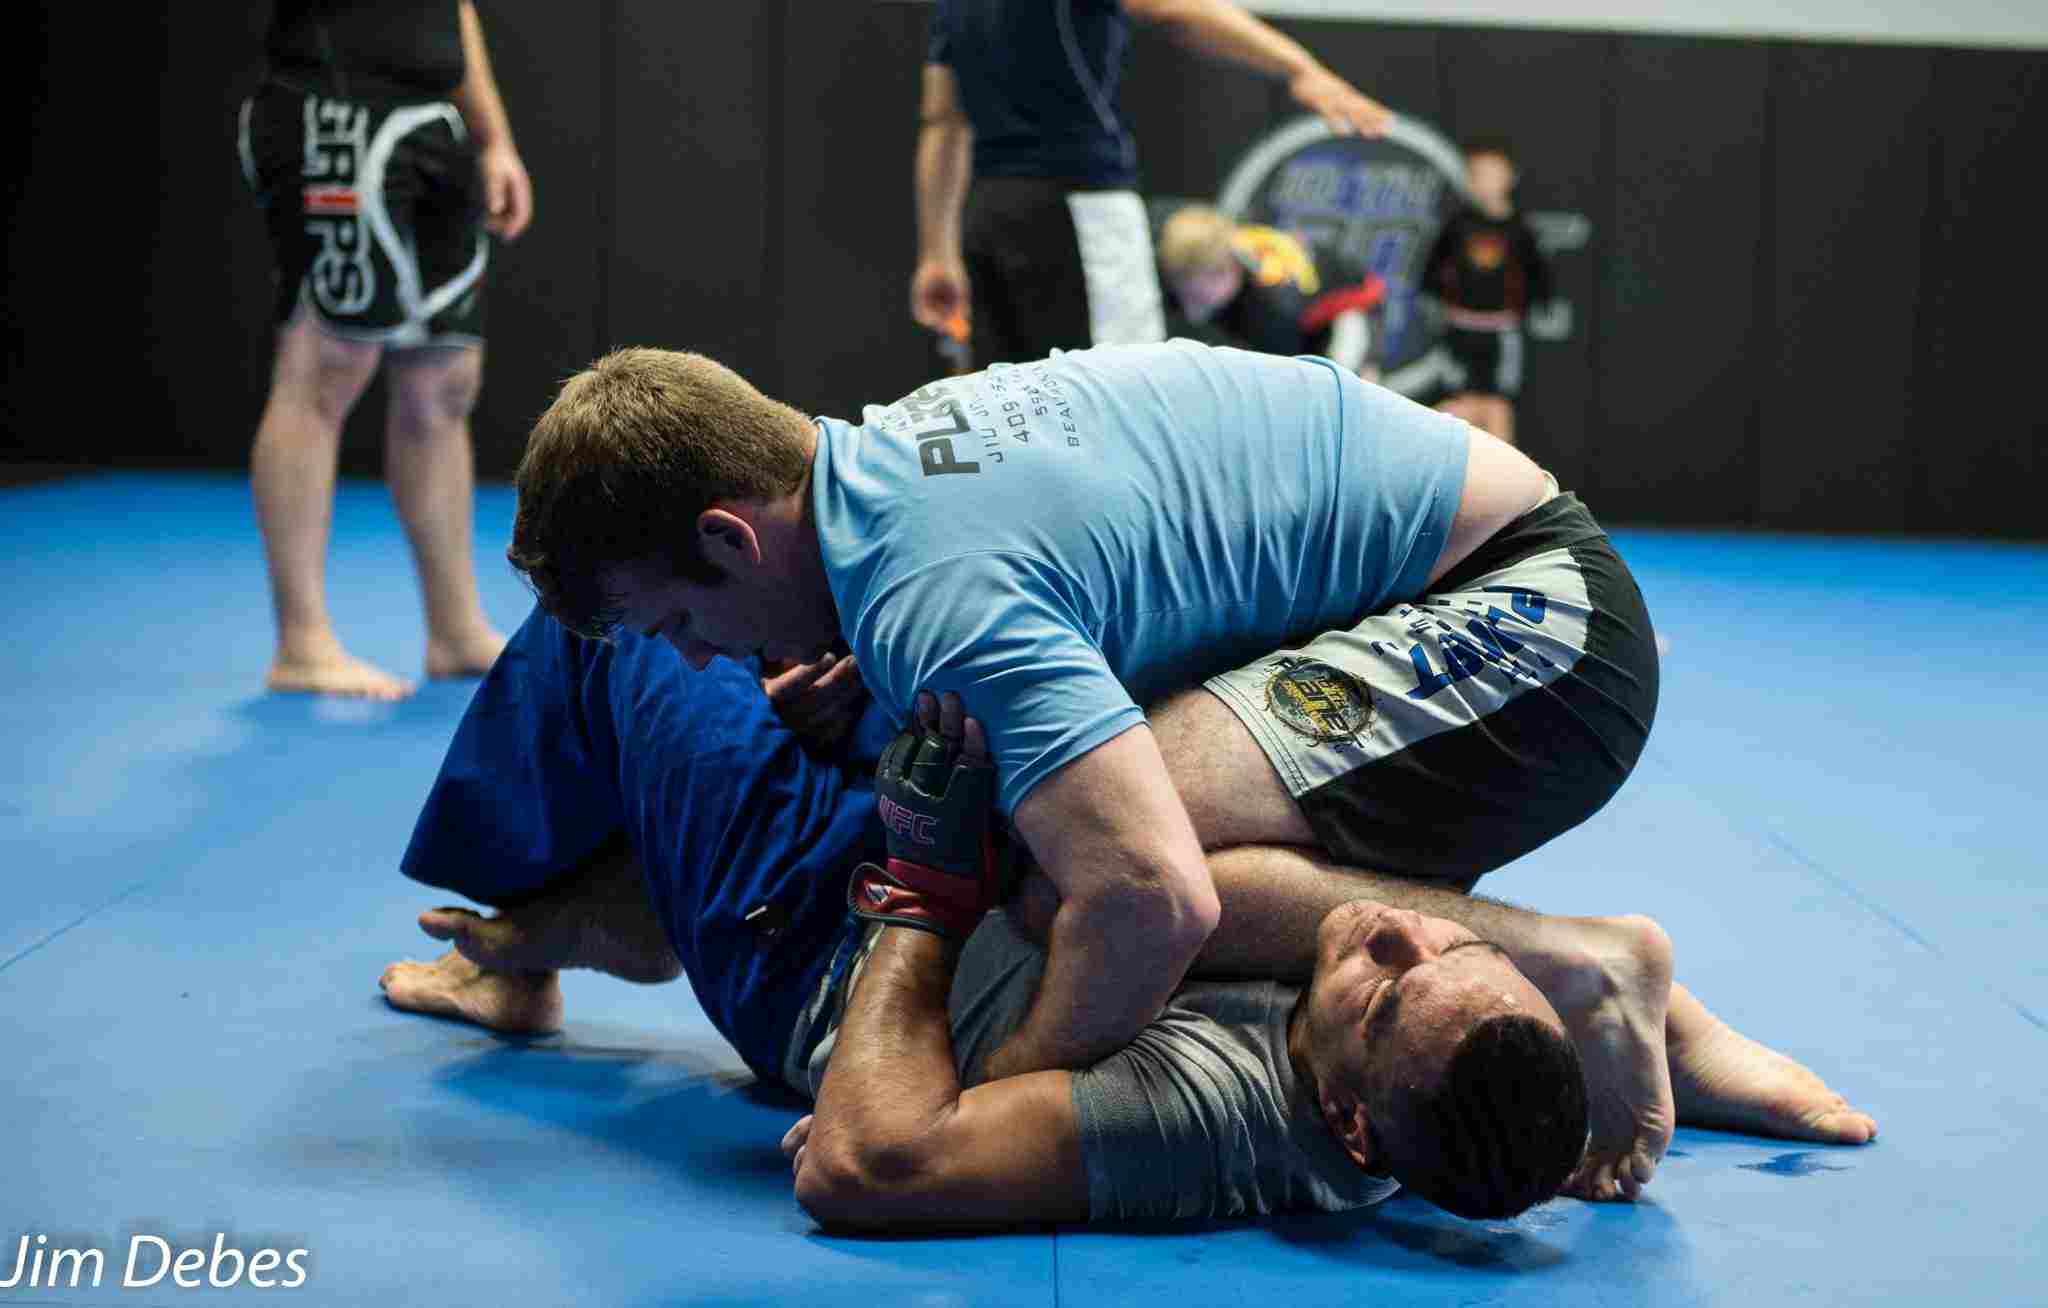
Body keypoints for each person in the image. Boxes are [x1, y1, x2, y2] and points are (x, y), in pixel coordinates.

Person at [498, 336, 1824, 1199]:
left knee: (1083, 877)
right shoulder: (890, 464)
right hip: (1439, 597)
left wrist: (991, 1100)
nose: (699, 659)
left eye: (680, 624)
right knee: (1074, 832)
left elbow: (1156, 902)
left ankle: (1591, 966)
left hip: (1539, 621)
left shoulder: (928, 590)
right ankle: (1583, 968)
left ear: (733, 541)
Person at [381, 617, 1876, 1223]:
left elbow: (866, 1162)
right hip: (960, 846)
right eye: (1448, 948)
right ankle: (586, 921)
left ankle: (530, 944)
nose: (1386, 944)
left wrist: (922, 886)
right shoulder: (1442, 1042)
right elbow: (1492, 976)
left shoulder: (1208, 1119)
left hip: (821, 938)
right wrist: (1673, 1040)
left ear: (1350, 1130)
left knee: (619, 601)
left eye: (1378, 991)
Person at [239, 0, 533, 699]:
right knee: (325, 365)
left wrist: (494, 138)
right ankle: (302, 642)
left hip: (433, 117)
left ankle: (455, 630)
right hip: (331, 103)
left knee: (444, 379)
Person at [911, 0, 1393, 368]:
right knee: (1120, 403)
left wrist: (938, 250)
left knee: (1008, 418)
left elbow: (943, 121)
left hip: (991, 212)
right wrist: (1300, 67)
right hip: (1078, 206)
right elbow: (1169, 8)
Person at [1422, 140, 1552, 447]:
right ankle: (1463, 478)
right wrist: (1434, 303)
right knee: (1462, 406)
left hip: (1501, 333)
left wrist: (1537, 304)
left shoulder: (1520, 231)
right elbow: (1430, 272)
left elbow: (1539, 278)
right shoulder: (1456, 227)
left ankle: (1507, 486)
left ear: (1510, 177)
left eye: (1493, 173)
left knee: (1497, 405)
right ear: (1468, 181)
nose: (1485, 182)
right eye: (1478, 174)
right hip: (1459, 330)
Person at [1156, 204, 1386, 376]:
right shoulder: (1181, 267)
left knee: (1342, 387)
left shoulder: (1274, 305)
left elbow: (1285, 384)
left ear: (1228, 272)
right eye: (1178, 282)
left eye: (1196, 296)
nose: (1188, 304)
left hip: (1354, 303)